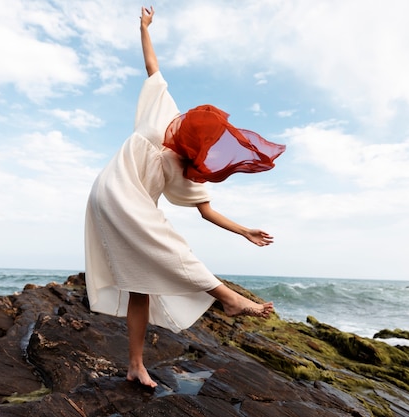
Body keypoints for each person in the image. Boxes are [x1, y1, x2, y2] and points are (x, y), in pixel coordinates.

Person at [84, 6, 286, 389]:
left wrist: (244, 231)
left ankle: (135, 365)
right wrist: (144, 28)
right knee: (170, 243)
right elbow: (152, 66)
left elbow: (206, 212)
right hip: (114, 191)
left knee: (140, 284)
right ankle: (229, 298)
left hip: (120, 203)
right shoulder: (162, 115)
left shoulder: (187, 169)